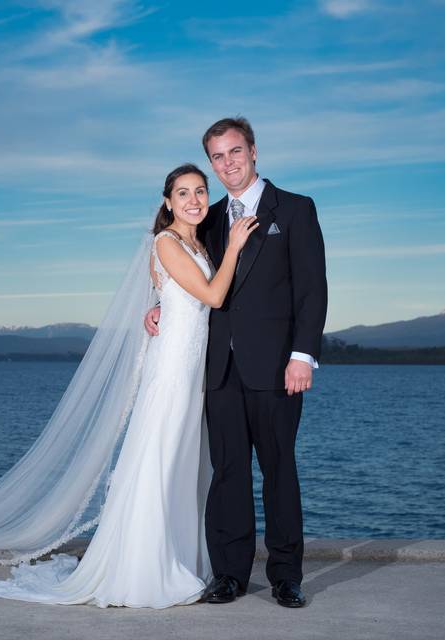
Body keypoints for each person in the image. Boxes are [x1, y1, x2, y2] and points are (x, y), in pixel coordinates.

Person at [0, 163, 257, 608]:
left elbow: (180, 297)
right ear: (167, 201)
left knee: (184, 467)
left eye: (200, 191)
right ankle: (142, 569)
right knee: (157, 463)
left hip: (194, 371)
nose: (195, 200)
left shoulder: (197, 241)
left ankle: (181, 557)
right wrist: (236, 246)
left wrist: (158, 304)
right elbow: (214, 296)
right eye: (183, 194)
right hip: (173, 374)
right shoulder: (166, 242)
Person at [145, 117, 328, 608]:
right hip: (217, 370)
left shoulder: (294, 209)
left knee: (279, 471)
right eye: (218, 157)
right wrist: (159, 303)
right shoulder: (208, 217)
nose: (228, 163)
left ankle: (286, 576)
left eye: (235, 152)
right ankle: (228, 574)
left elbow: (313, 290)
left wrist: (302, 355)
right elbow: (190, 277)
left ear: (253, 152)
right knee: (227, 474)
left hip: (276, 368)